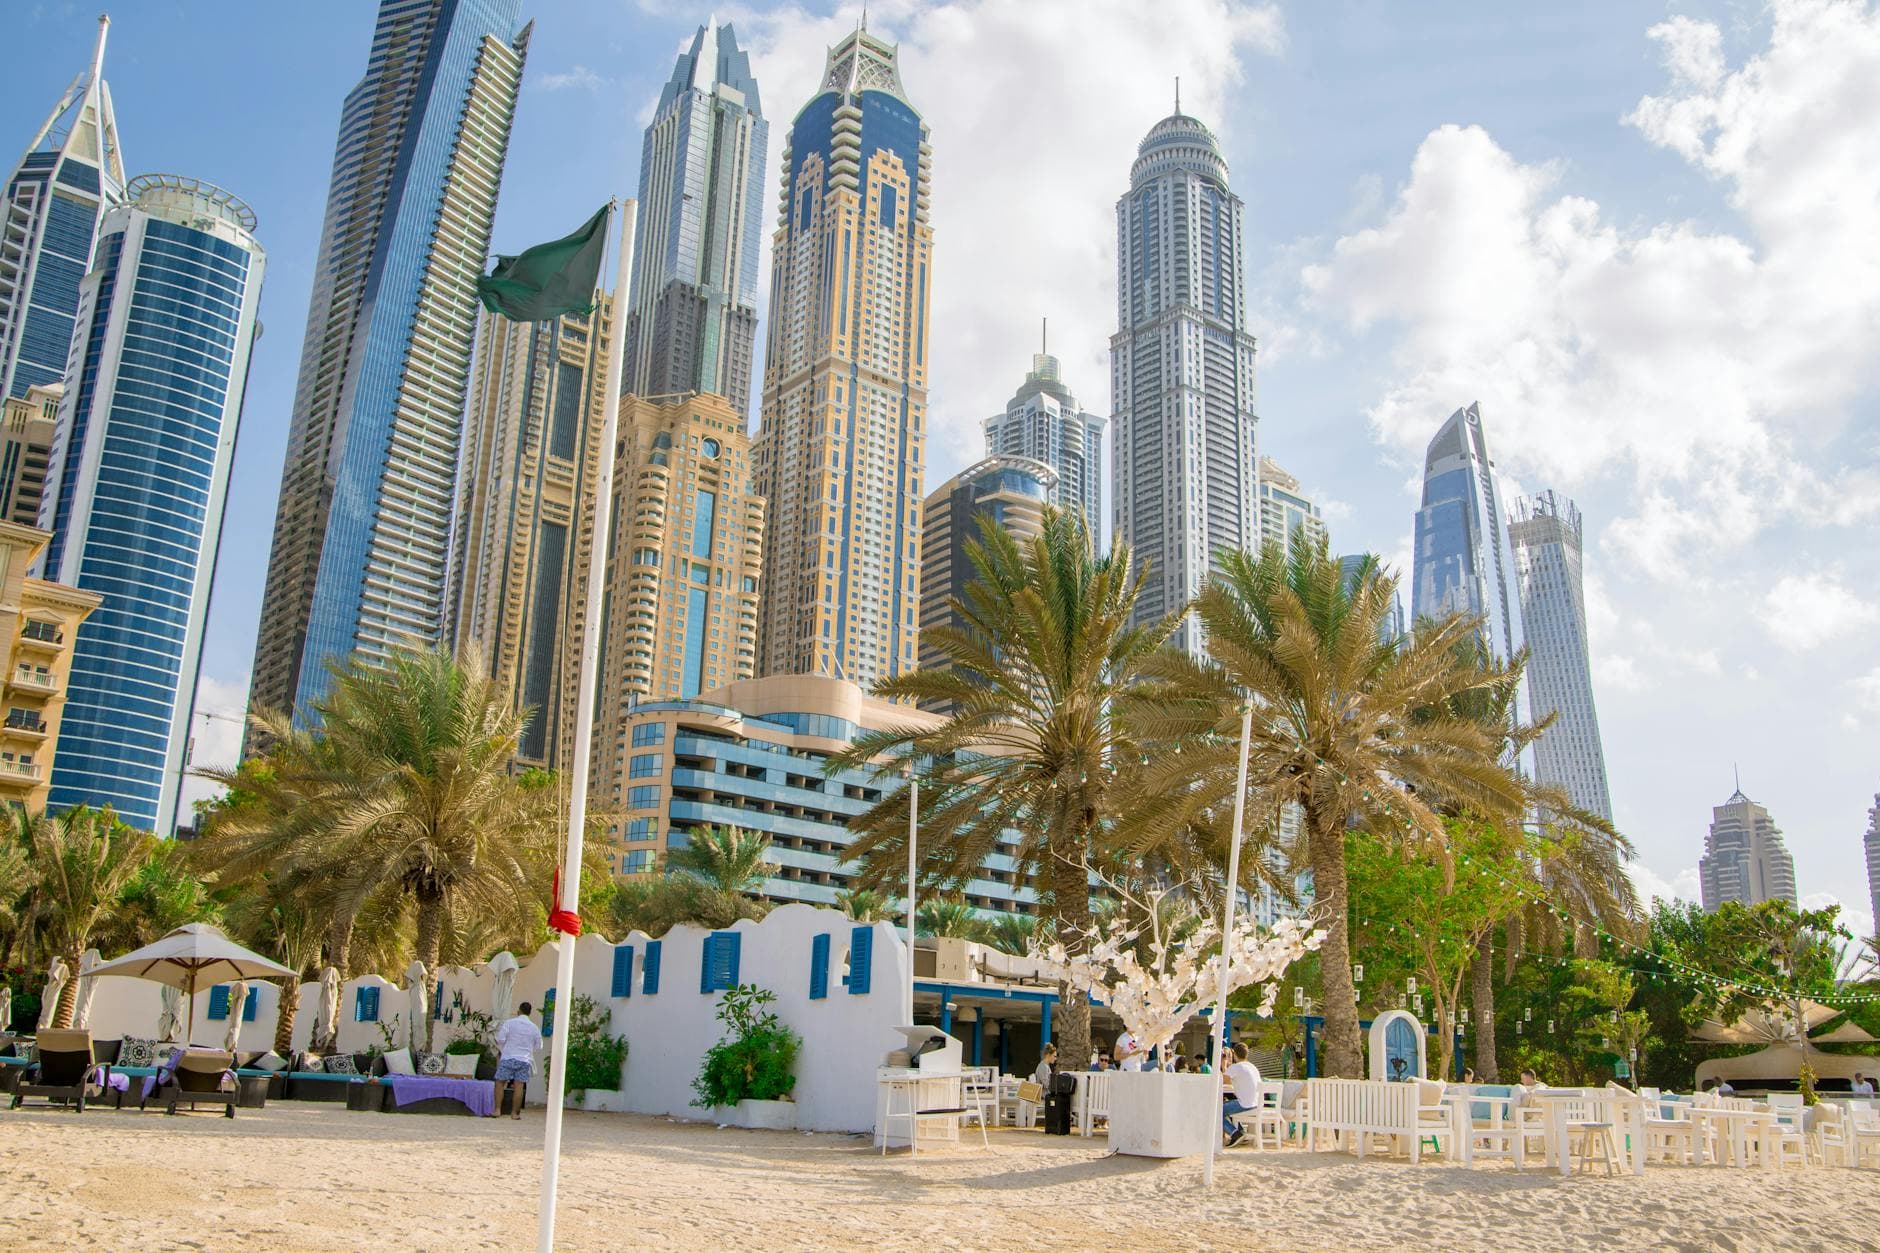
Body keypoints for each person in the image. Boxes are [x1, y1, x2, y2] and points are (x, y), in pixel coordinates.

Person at [492, 1000, 543, 1120]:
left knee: (500, 1082)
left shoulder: (509, 1023)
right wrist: (529, 1050)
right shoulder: (534, 1027)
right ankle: (515, 1113)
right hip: (524, 1060)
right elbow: (539, 1046)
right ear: (529, 1013)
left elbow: (500, 1039)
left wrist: (505, 1047)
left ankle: (497, 1110)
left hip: (508, 1057)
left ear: (518, 1011)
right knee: (519, 1086)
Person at [1220, 1043, 1262, 1146]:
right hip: (1256, 1104)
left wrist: (1224, 1066)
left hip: (1245, 1104)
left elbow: (1223, 1081)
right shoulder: (1252, 1067)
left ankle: (1235, 1133)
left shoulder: (1236, 1067)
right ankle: (1241, 1132)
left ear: (1234, 1054)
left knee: (1217, 1110)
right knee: (1227, 1106)